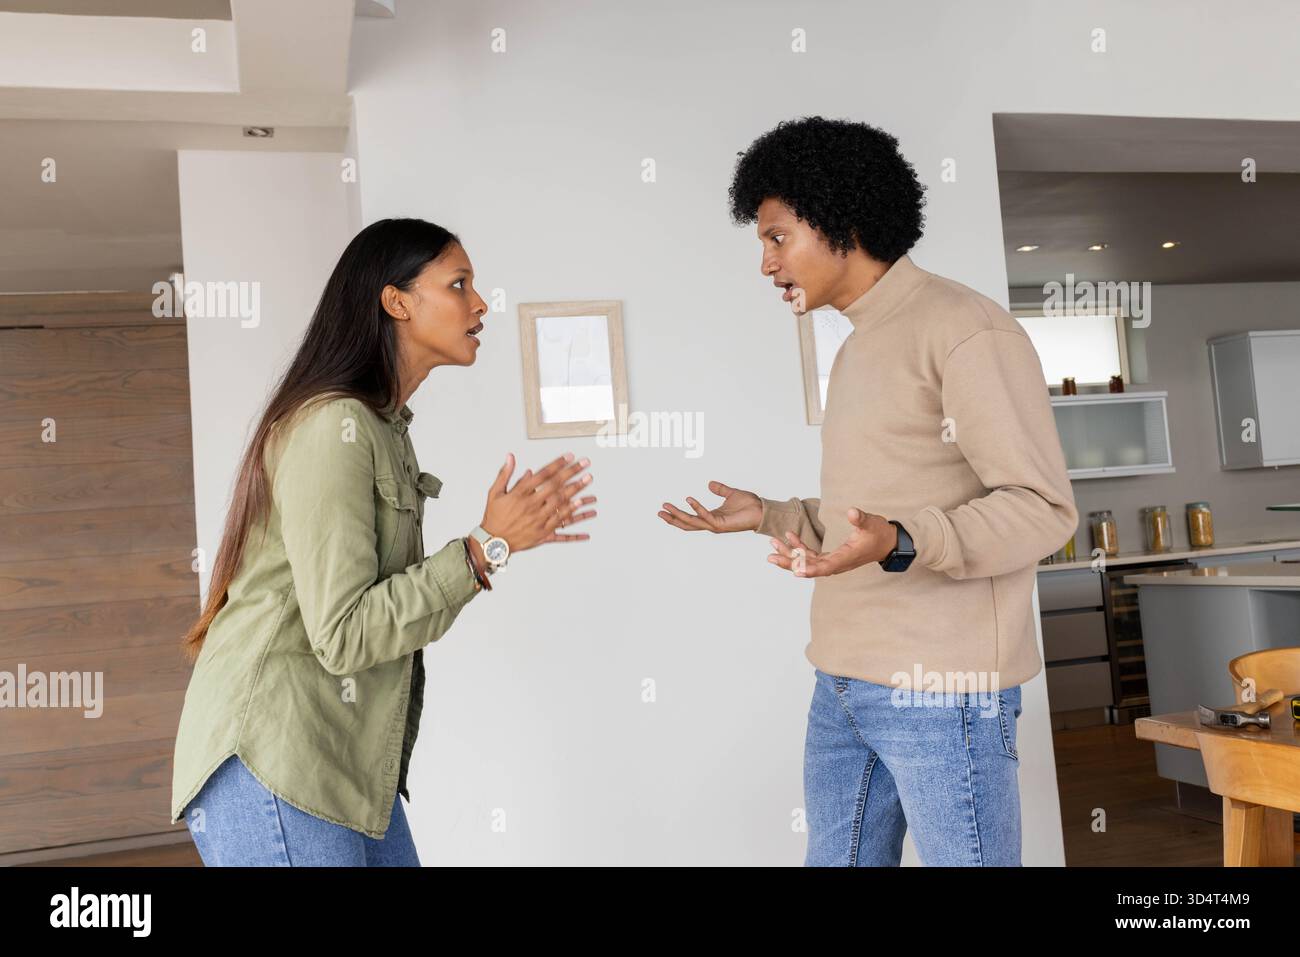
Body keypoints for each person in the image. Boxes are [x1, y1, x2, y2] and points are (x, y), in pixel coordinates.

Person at [658, 117, 1077, 866]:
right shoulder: (854, 347)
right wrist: (774, 515)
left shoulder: (965, 331)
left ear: (842, 220)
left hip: (944, 695)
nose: (765, 263)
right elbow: (871, 514)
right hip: (843, 683)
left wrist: (905, 540)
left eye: (777, 236)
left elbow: (1042, 508)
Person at [170, 218, 596, 866]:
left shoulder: (382, 428)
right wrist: (484, 550)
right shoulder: (333, 426)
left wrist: (491, 548)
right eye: (459, 284)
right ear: (396, 301)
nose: (480, 303)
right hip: (274, 758)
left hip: (342, 762)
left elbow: (377, 613)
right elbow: (344, 632)